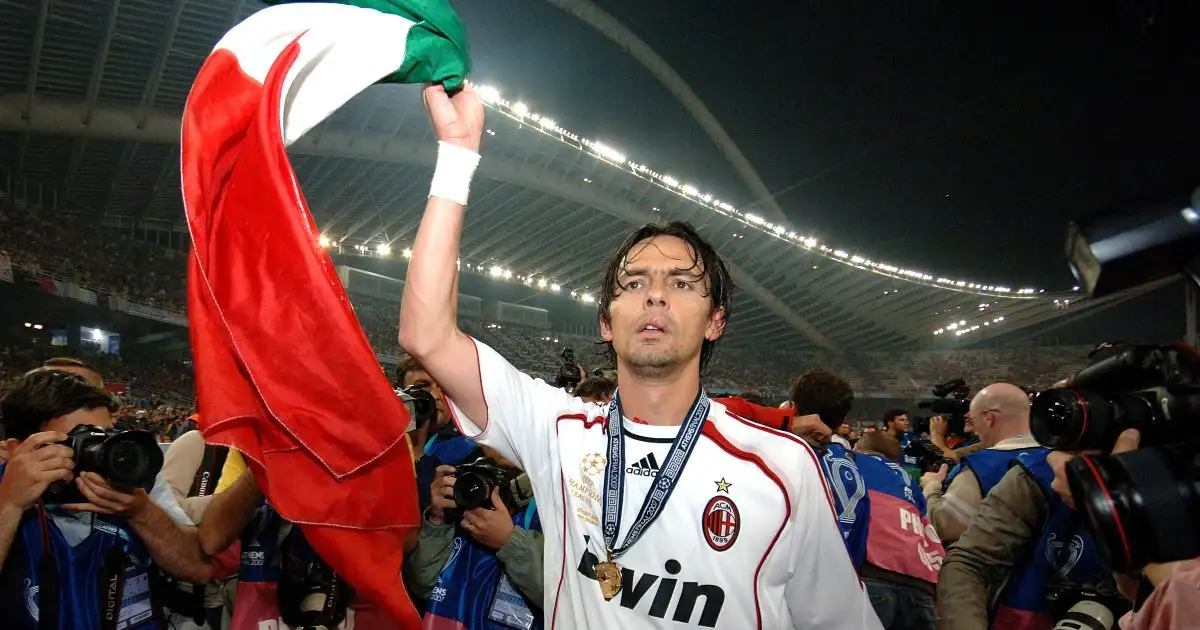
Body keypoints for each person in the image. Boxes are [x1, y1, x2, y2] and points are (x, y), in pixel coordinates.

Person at [399, 82, 879, 629]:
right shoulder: (557, 430)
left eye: (681, 283)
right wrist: (458, 157)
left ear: (716, 320)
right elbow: (427, 335)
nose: (655, 293)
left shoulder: (781, 467)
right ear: (606, 320)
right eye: (633, 283)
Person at [0, 369, 212, 630]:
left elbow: (198, 569)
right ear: (14, 450)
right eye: (76, 440)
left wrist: (142, 513)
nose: (97, 452)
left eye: (104, 436)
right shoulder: (5, 490)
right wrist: (9, 505)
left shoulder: (133, 483)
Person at [407, 446, 544, 629]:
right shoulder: (462, 495)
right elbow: (422, 585)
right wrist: (437, 520)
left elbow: (574, 599)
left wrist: (510, 541)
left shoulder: (556, 509)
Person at [920, 383, 1042, 544]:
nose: (975, 429)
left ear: (988, 418)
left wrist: (931, 486)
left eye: (974, 420)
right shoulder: (1057, 455)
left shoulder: (978, 467)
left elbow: (946, 527)